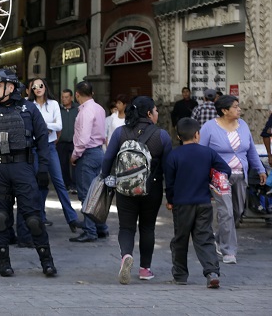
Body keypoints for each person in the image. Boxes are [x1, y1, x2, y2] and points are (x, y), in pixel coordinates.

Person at [0, 69, 57, 277]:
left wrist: (44, 169)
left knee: (33, 218)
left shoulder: (29, 109)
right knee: (0, 218)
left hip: (23, 168)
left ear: (10, 87)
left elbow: (43, 139)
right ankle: (4, 263)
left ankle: (47, 262)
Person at [102, 96, 172, 283]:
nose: (157, 114)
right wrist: (170, 194)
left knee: (126, 227)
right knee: (147, 227)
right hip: (152, 188)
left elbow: (108, 158)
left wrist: (104, 178)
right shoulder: (161, 135)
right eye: (156, 110)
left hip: (124, 188)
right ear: (149, 113)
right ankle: (145, 269)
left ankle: (126, 256)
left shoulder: (120, 132)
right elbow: (168, 167)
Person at [199, 95, 267, 264]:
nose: (239, 109)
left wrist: (260, 169)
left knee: (237, 211)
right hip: (220, 176)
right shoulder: (209, 127)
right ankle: (228, 251)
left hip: (240, 175)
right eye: (235, 107)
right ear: (224, 110)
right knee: (226, 212)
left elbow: (251, 150)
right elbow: (201, 152)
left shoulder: (242, 125)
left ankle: (218, 238)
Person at [164, 118, 231, 288]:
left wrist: (170, 201)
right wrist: (212, 180)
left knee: (180, 239)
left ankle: (180, 276)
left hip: (181, 204)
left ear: (178, 136)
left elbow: (169, 184)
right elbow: (225, 169)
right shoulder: (208, 153)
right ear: (197, 134)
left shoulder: (173, 155)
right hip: (204, 202)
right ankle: (212, 272)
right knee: (205, 237)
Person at [29, 78, 79, 233]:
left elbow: (59, 126)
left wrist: (42, 126)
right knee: (39, 183)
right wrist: (46, 127)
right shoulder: (29, 105)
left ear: (45, 86)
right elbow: (29, 126)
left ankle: (72, 218)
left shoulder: (54, 104)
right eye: (34, 86)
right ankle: (39, 217)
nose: (38, 88)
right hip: (35, 148)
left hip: (50, 147)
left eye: (40, 85)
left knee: (59, 182)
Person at [69, 81, 109, 243]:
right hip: (99, 152)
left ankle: (90, 230)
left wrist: (74, 155)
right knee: (98, 194)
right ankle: (101, 228)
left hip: (87, 154)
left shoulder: (85, 112)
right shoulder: (99, 109)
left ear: (77, 94)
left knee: (86, 194)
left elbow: (83, 139)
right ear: (92, 93)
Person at [58, 89, 79, 193]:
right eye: (63, 97)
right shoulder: (58, 109)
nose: (64, 99)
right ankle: (66, 184)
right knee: (63, 164)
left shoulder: (77, 109)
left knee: (75, 163)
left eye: (66, 97)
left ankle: (74, 185)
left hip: (74, 141)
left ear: (71, 98)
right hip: (61, 142)